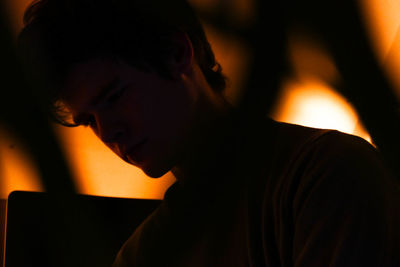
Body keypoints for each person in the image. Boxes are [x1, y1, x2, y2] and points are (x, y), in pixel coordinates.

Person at [17, 0, 400, 266]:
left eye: (114, 96)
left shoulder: (323, 174)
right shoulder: (142, 254)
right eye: (89, 120)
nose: (108, 131)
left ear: (176, 52)